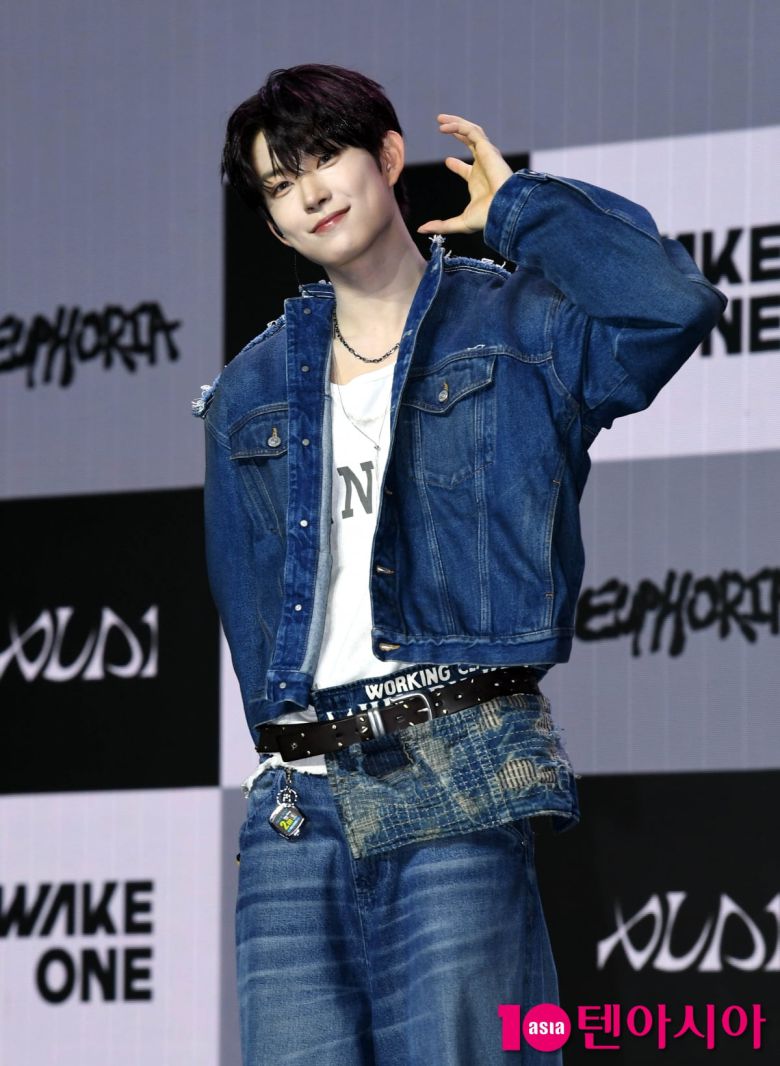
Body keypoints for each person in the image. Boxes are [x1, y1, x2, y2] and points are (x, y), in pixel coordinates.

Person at [195, 64, 725, 1066]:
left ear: (390, 155)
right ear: (271, 223)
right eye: (279, 185)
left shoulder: (515, 327)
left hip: (455, 770)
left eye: (325, 158)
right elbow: (246, 608)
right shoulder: (245, 394)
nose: (310, 193)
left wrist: (521, 211)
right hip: (293, 815)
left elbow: (669, 306)